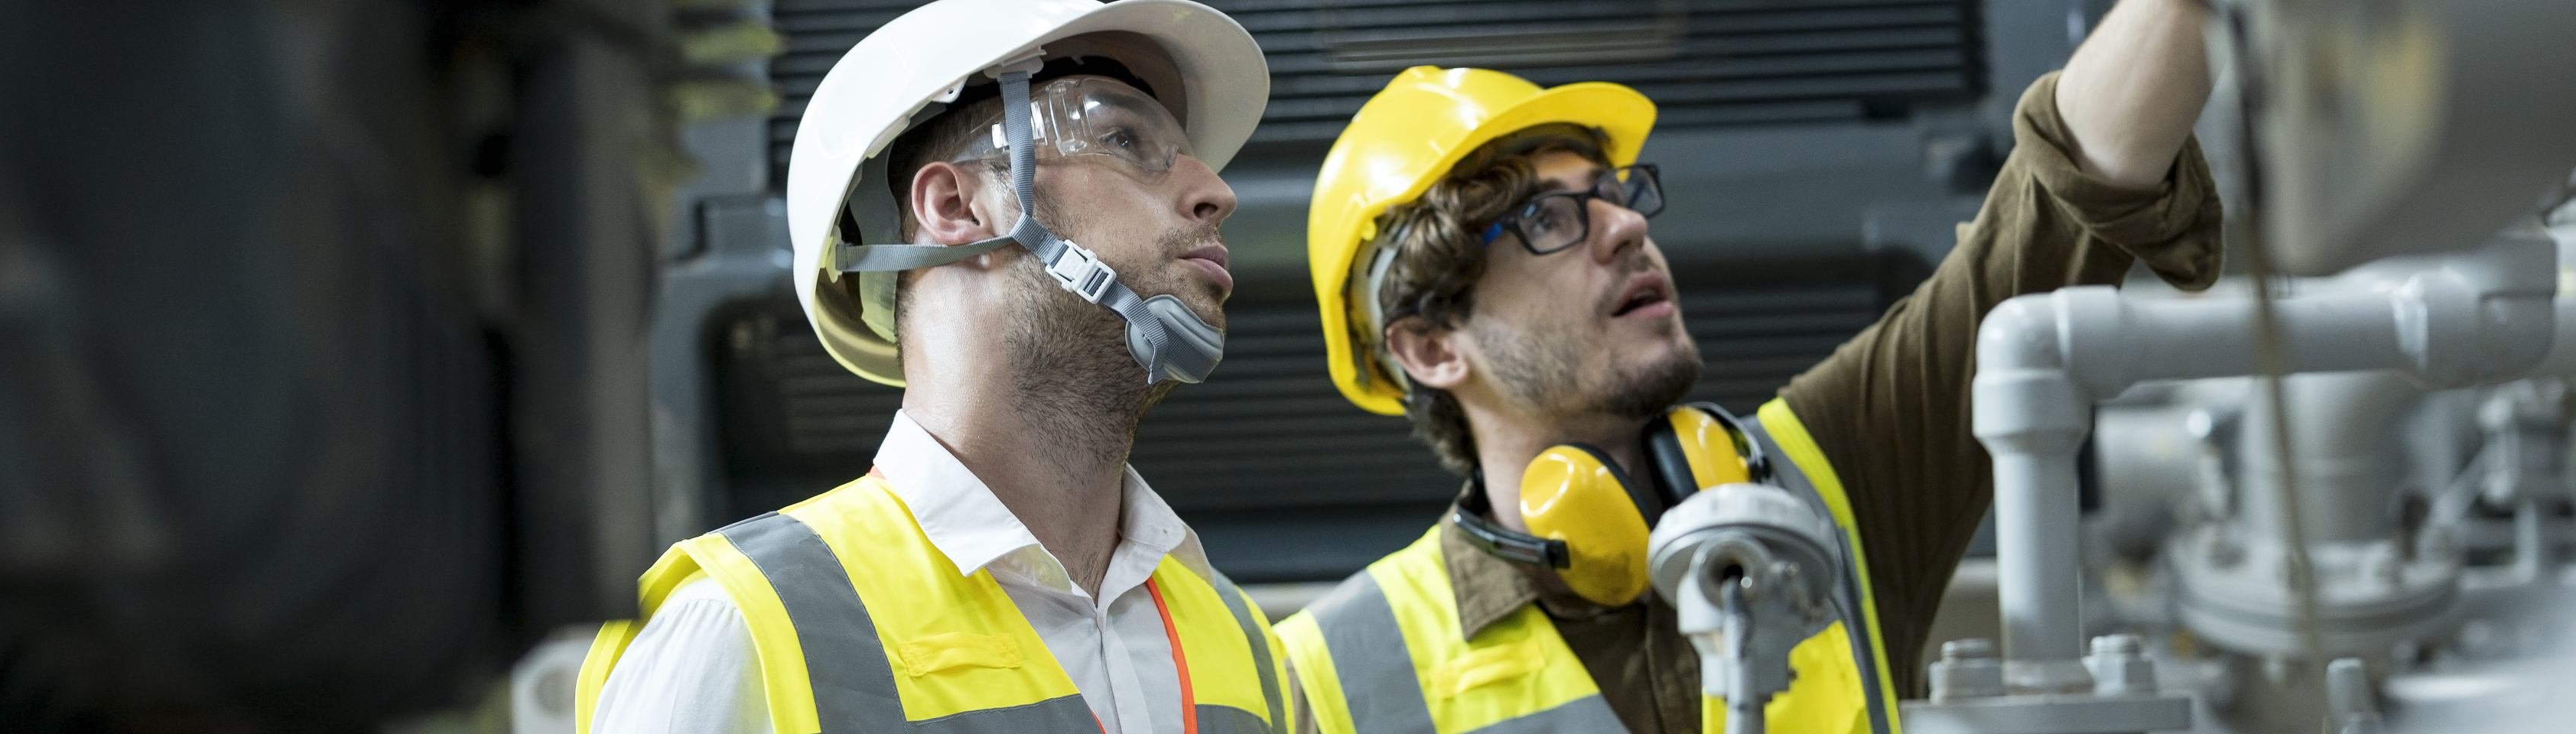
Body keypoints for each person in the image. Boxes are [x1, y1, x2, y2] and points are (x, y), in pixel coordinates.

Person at [1277, 0, 2226, 732]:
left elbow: (2068, 186)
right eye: (1547, 219)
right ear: (1431, 346)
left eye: (1617, 193)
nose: (1629, 226)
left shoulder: (1830, 481)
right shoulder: (1320, 675)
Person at [571, 1, 1292, 732]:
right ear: (955, 206)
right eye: (1123, 138)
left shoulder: (1247, 645)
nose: (1216, 194)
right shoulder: (742, 629)